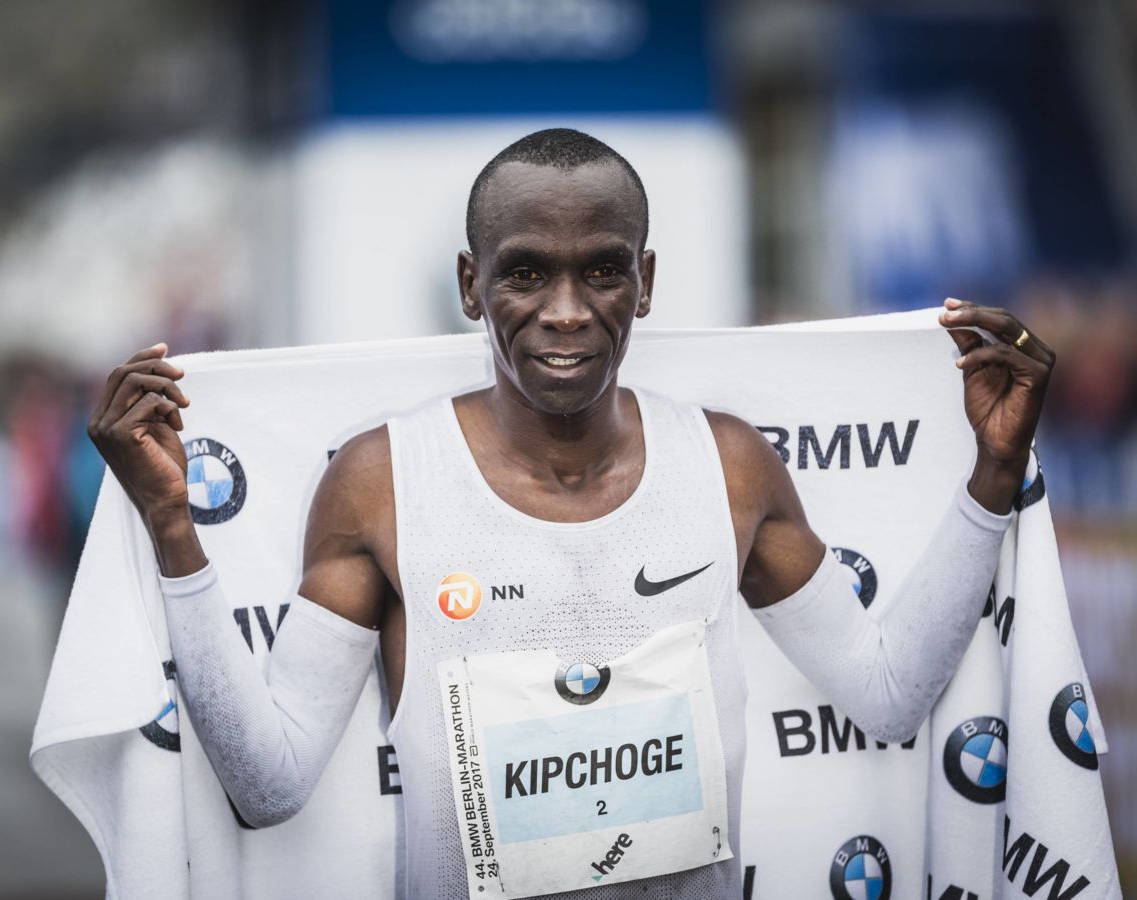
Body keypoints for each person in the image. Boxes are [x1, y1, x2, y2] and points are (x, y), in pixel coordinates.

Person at [89, 129, 1054, 899]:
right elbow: (269, 786)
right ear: (473, 285)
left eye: (601, 270)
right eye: (524, 273)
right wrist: (176, 530)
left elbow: (884, 695)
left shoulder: (728, 465)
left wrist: (995, 473)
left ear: (645, 280)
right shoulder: (383, 481)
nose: (565, 310)